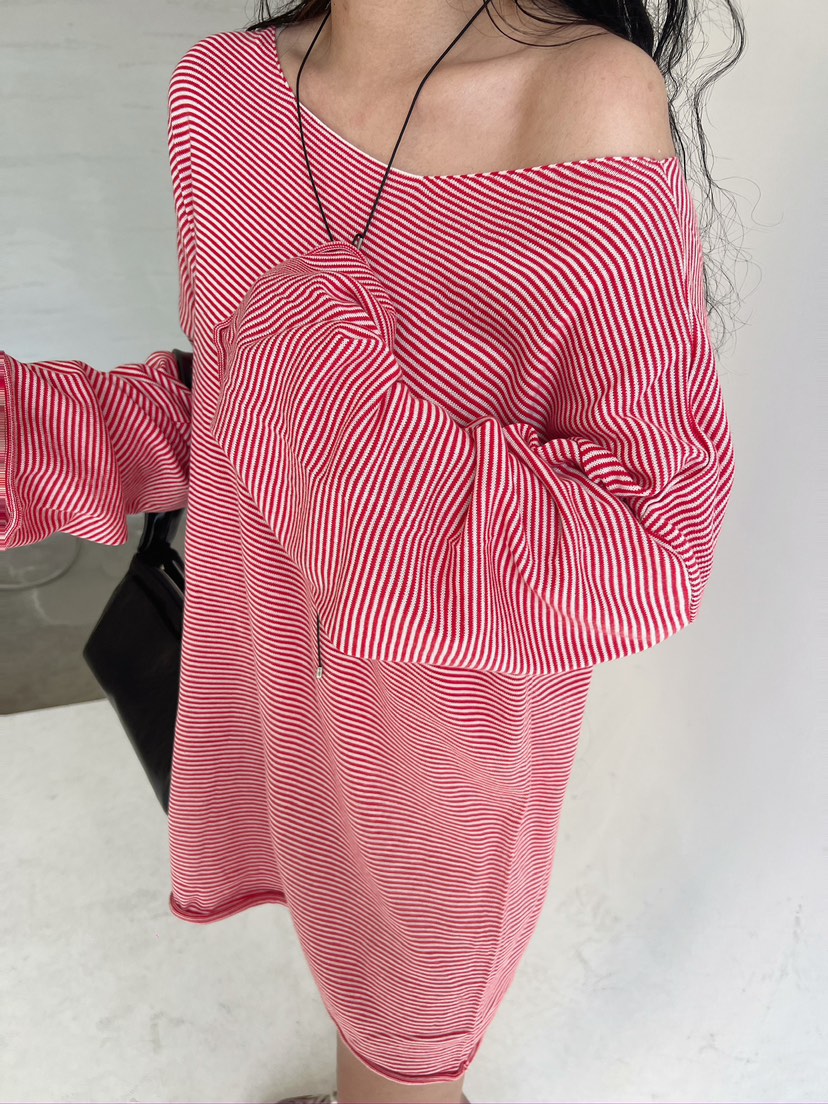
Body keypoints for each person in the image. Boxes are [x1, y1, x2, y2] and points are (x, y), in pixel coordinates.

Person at [1, 1, 743, 1101]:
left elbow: (646, 547)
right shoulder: (220, 94)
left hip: (435, 782)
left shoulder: (582, 98)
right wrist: (28, 440)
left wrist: (327, 382)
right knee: (348, 986)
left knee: (404, 1057)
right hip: (270, 701)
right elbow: (235, 422)